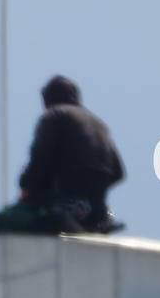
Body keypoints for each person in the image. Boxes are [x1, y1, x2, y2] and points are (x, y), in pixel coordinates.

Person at [16, 75, 125, 233]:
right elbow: (119, 172)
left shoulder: (54, 114)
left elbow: (40, 156)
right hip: (96, 209)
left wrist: (27, 185)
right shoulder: (99, 124)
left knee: (10, 219)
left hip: (66, 200)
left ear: (47, 99)